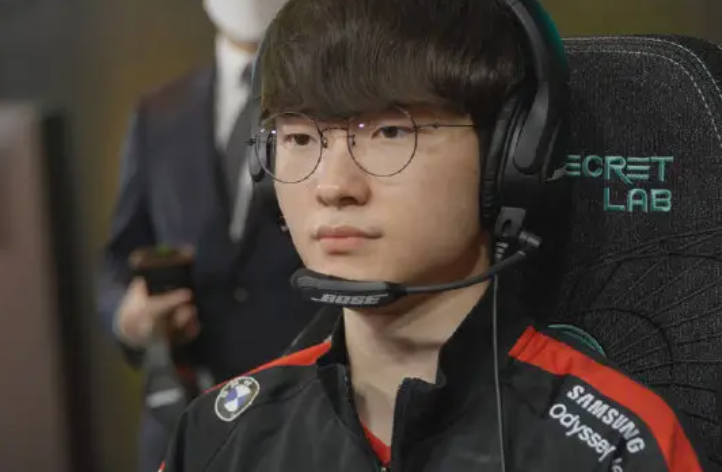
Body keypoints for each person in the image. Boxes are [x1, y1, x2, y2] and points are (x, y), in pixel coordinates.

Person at [159, 0, 710, 471]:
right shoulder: (216, 439)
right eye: (300, 139)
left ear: (509, 159)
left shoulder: (618, 448)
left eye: (390, 132)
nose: (333, 186)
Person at [96, 1, 320, 471]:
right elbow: (120, 258)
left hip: (311, 419)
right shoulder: (159, 110)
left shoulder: (340, 105)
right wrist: (129, 317)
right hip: (186, 420)